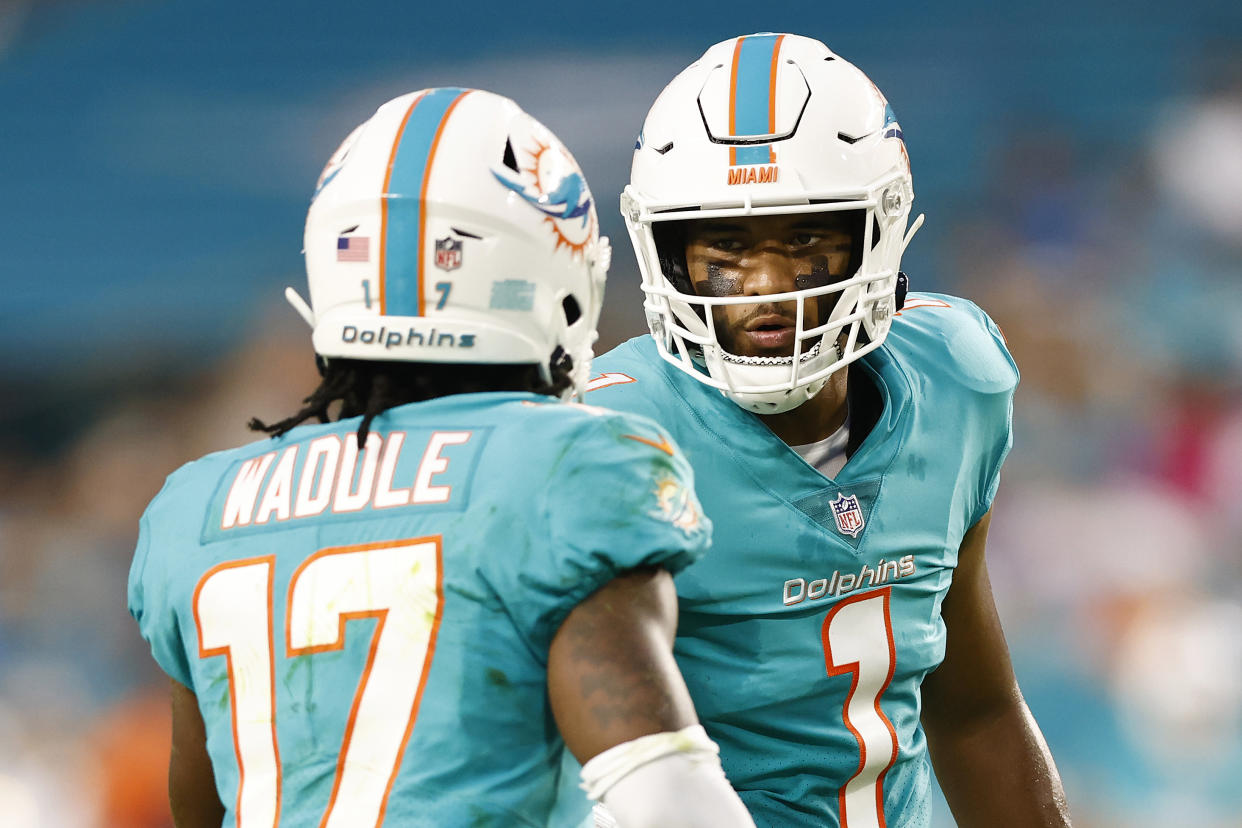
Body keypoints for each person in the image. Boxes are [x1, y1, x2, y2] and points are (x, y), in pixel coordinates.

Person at [127, 87, 755, 828]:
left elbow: (205, 808)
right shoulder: (561, 468)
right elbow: (667, 797)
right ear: (553, 280)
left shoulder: (193, 507)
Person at [582, 34, 1073, 827]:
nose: (766, 290)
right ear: (665, 249)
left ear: (877, 229)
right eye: (725, 247)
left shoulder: (957, 377)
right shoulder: (609, 437)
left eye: (805, 239)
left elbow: (975, 710)